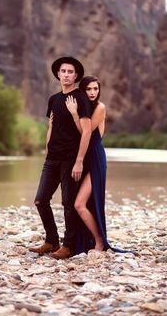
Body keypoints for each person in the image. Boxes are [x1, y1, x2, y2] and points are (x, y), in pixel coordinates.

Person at [30, 57, 92, 260]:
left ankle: (69, 245)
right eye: (63, 71)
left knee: (68, 203)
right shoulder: (54, 99)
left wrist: (79, 160)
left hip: (70, 159)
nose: (66, 74)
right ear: (58, 74)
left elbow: (86, 132)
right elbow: (51, 126)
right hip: (52, 158)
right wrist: (47, 148)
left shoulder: (81, 99)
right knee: (40, 199)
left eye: (70, 72)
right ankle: (51, 240)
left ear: (76, 76)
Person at [65, 75, 130, 254]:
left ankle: (100, 241)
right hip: (84, 157)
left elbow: (84, 132)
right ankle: (83, 240)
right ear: (83, 91)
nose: (93, 92)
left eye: (96, 89)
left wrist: (73, 114)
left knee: (80, 204)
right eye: (89, 89)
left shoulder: (100, 108)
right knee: (77, 202)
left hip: (95, 158)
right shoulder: (85, 107)